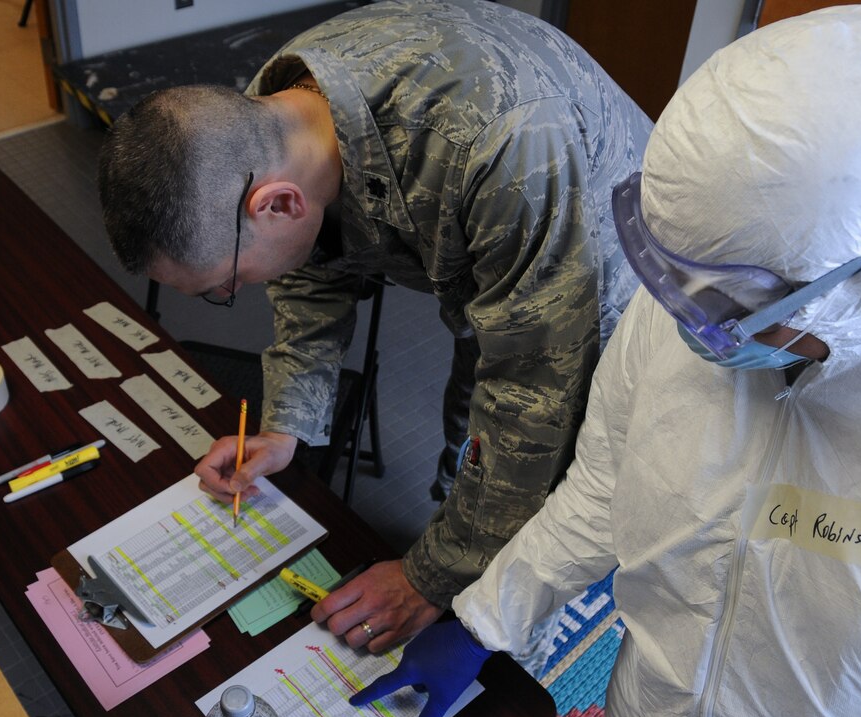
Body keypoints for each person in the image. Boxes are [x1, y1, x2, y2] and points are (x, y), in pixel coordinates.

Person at [347, 5, 861, 717]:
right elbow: (602, 487)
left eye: (724, 300)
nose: (685, 319)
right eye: (676, 278)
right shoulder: (695, 296)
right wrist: (483, 621)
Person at [97, 0, 651, 649]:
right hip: (500, 253)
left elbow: (535, 402)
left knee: (564, 495)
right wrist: (288, 425)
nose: (233, 293)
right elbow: (307, 266)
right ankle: (463, 536)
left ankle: (518, 630)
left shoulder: (498, 149)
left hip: (614, 264)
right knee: (476, 438)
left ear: (277, 202)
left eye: (226, 282)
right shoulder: (269, 121)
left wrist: (428, 580)